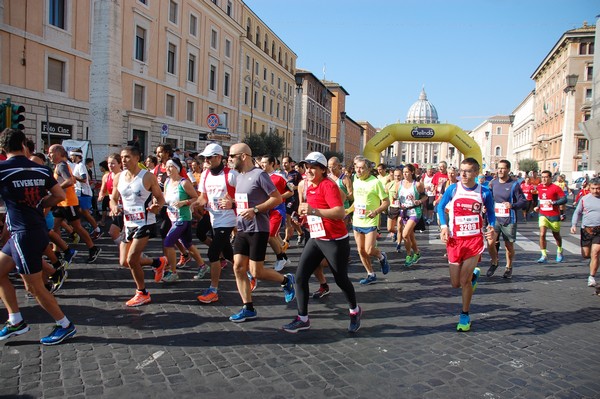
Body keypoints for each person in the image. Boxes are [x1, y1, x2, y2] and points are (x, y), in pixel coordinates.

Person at [0, 129, 77, 345]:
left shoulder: (3, 170)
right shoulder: (41, 169)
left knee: (34, 287)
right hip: (34, 229)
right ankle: (15, 320)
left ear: (3, 148)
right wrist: (41, 204)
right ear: (24, 145)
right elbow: (59, 195)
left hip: (23, 234)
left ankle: (65, 325)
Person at [282, 152, 361, 333]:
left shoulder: (328, 186)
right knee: (300, 277)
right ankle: (303, 318)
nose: (308, 170)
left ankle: (355, 311)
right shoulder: (309, 185)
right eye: (307, 167)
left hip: (335, 240)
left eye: (313, 167)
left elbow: (340, 213)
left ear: (323, 170)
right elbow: (315, 208)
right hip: (317, 237)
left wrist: (314, 211)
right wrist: (304, 213)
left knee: (341, 280)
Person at [226, 143, 295, 323]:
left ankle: (286, 281)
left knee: (256, 272)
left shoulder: (260, 175)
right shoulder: (239, 177)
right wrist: (232, 204)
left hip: (258, 228)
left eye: (232, 155)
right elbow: (244, 202)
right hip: (242, 228)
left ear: (243, 156)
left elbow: (277, 198)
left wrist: (255, 210)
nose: (230, 159)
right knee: (238, 267)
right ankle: (248, 308)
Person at [437, 157, 495, 332]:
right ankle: (473, 277)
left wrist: (491, 226)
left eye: (468, 171)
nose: (463, 174)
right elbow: (440, 207)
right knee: (455, 283)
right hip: (455, 241)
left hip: (474, 241)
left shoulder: (484, 192)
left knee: (464, 281)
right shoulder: (453, 189)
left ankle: (464, 315)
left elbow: (491, 214)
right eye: (461, 170)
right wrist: (444, 226)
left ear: (476, 173)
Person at [110, 146, 166, 306]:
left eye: (127, 157)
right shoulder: (118, 177)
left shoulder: (147, 177)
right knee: (124, 262)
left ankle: (142, 292)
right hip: (128, 223)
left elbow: (160, 199)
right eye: (122, 157)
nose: (124, 161)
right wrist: (114, 206)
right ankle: (157, 262)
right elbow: (113, 198)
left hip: (145, 222)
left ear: (136, 158)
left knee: (132, 259)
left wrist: (157, 207)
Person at [195, 143, 237, 304]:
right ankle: (248, 273)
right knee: (227, 252)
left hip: (228, 219)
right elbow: (203, 197)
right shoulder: (205, 174)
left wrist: (232, 204)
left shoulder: (231, 175)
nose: (206, 160)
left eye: (209, 157)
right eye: (204, 157)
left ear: (219, 157)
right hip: (213, 217)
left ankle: (213, 290)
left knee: (213, 254)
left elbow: (246, 195)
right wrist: (194, 203)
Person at [48, 145, 102, 263]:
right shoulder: (60, 165)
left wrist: (55, 189)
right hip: (61, 202)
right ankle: (56, 252)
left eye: (51, 152)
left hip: (69, 202)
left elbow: (70, 181)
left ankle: (93, 248)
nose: (49, 155)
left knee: (77, 227)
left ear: (58, 152)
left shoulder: (62, 165)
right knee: (55, 227)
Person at [160, 157, 205, 282]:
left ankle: (173, 272)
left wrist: (184, 202)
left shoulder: (184, 183)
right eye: (167, 166)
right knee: (188, 244)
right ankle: (203, 266)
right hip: (173, 217)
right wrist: (156, 202)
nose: (168, 169)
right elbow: (164, 199)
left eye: (171, 166)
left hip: (183, 217)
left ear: (177, 168)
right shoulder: (167, 182)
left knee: (168, 242)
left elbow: (196, 198)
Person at [351, 156, 390, 285]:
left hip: (370, 220)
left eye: (362, 168)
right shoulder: (355, 180)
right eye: (357, 168)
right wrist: (347, 211)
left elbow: (386, 202)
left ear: (368, 169)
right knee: (360, 250)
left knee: (369, 250)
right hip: (357, 220)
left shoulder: (375, 182)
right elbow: (356, 201)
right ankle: (370, 274)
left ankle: (381, 256)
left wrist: (376, 212)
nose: (358, 171)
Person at [485, 160, 527, 279]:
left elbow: (523, 201)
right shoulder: (493, 183)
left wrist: (512, 205)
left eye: (503, 168)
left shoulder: (514, 185)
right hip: (495, 218)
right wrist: (485, 207)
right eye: (499, 168)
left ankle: (509, 267)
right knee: (490, 242)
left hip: (509, 220)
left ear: (508, 170)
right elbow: (489, 198)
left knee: (509, 246)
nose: (500, 170)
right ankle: (494, 262)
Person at [260, 155, 292, 271]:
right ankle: (284, 257)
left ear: (272, 163)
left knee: (270, 235)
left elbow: (291, 192)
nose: (262, 164)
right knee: (274, 236)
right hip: (265, 210)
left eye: (264, 162)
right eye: (261, 162)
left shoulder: (279, 177)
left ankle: (280, 258)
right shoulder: (260, 176)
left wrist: (278, 197)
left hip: (277, 209)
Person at [570, 177, 600, 287]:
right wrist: (574, 225)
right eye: (593, 188)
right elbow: (577, 212)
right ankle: (593, 261)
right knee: (586, 255)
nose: (595, 191)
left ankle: (591, 277)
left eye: (598, 188)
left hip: (599, 230)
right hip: (586, 230)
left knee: (596, 252)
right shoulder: (584, 199)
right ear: (589, 188)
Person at [534, 170, 567, 263]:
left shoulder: (556, 188)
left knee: (556, 235)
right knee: (542, 234)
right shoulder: (539, 187)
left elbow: (564, 199)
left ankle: (559, 251)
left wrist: (554, 203)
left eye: (546, 177)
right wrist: (537, 206)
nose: (543, 179)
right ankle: (544, 255)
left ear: (550, 178)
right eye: (542, 177)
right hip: (543, 214)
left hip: (554, 215)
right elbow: (540, 199)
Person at [69, 151, 102, 239]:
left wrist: (72, 177)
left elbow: (84, 179)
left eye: (72, 156)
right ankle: (78, 230)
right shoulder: (77, 165)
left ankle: (97, 230)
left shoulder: (81, 166)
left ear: (77, 156)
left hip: (84, 193)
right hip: (79, 193)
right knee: (78, 212)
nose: (71, 157)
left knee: (86, 213)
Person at [398, 164, 425, 267]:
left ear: (412, 172)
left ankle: (408, 255)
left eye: (406, 172)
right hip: (404, 212)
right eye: (403, 172)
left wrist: (419, 201)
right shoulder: (399, 184)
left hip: (414, 211)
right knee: (410, 236)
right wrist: (396, 199)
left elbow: (425, 197)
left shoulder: (417, 184)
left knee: (405, 234)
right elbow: (396, 196)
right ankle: (417, 253)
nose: (404, 174)